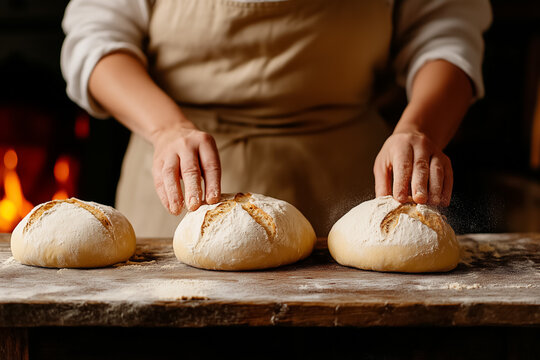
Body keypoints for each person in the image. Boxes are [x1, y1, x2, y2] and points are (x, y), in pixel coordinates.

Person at [61, 0, 492, 237]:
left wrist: (418, 127)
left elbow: (445, 33)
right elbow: (95, 39)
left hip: (350, 196)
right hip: (175, 186)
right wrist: (166, 127)